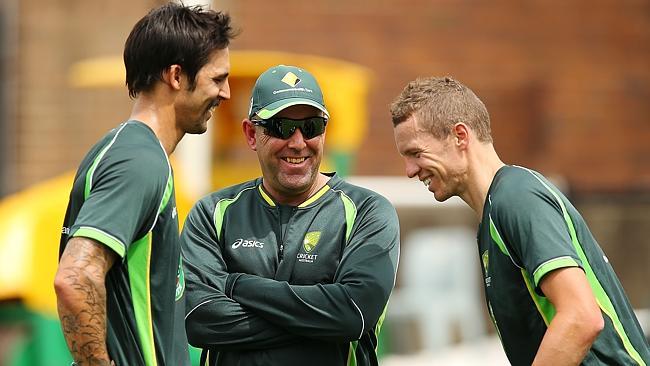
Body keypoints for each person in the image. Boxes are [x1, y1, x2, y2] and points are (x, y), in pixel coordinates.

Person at [390, 76, 650, 365]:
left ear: (460, 136)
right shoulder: (495, 211)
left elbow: (581, 317)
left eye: (416, 153)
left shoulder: (516, 198)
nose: (410, 171)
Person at [181, 64, 400, 366]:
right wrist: (321, 319)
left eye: (311, 127)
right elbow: (199, 319)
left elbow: (353, 313)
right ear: (251, 133)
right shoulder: (213, 213)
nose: (298, 142)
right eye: (280, 127)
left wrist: (235, 285)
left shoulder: (366, 211)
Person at [53, 3, 235, 365]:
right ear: (176, 76)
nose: (226, 93)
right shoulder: (139, 161)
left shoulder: (134, 152)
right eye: (217, 79)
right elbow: (75, 278)